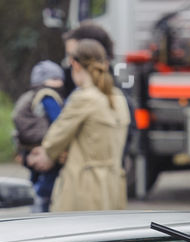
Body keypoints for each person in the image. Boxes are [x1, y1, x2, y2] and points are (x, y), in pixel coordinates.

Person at [26, 39, 128, 212]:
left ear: (75, 64)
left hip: (84, 189)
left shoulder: (83, 98)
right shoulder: (118, 98)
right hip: (113, 188)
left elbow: (54, 140)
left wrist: (45, 154)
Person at [12, 60, 66, 211]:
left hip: (30, 147)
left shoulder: (30, 95)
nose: (60, 82)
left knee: (35, 181)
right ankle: (40, 210)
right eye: (55, 79)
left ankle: (34, 206)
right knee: (46, 187)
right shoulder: (48, 96)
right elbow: (59, 121)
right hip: (45, 147)